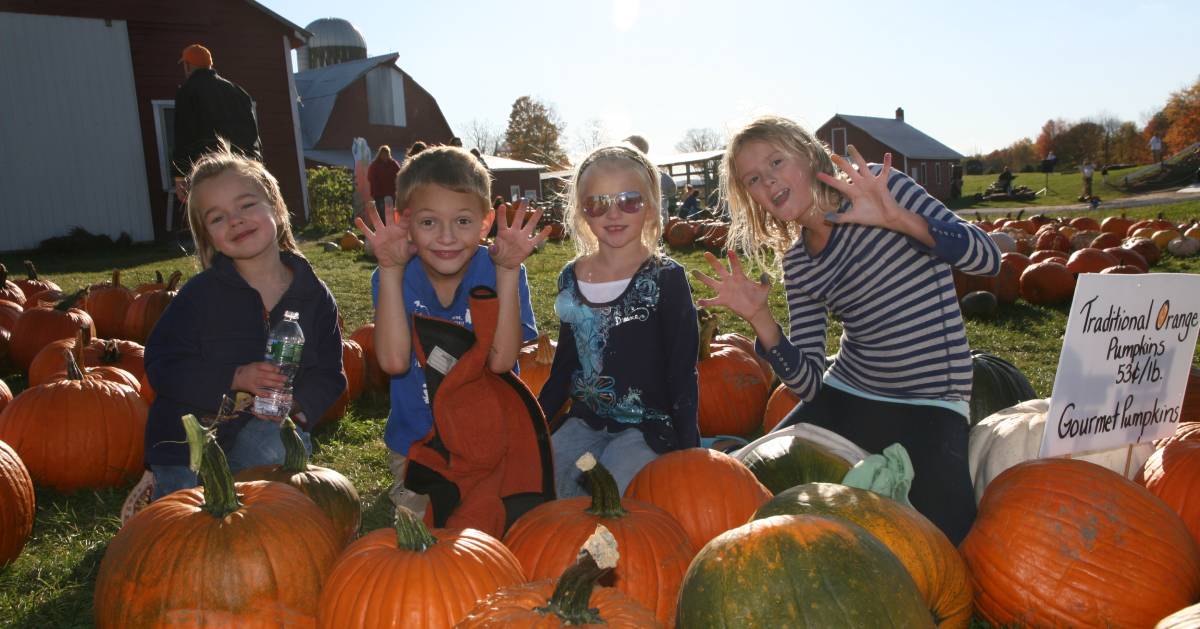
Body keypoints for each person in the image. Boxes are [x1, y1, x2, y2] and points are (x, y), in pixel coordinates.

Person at [693, 116, 1000, 544]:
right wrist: (761, 320)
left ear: (808, 152)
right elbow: (810, 383)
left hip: (931, 398)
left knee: (948, 538)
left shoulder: (879, 187)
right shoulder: (798, 262)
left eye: (777, 162)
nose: (769, 181)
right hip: (850, 394)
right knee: (751, 483)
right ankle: (726, 448)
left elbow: (988, 258)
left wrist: (898, 218)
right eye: (754, 179)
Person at [141, 142, 347, 501]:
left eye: (246, 205)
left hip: (259, 433)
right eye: (217, 218)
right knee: (180, 520)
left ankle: (241, 498)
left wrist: (298, 408)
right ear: (210, 239)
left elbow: (330, 372)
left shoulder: (314, 296)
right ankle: (161, 485)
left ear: (277, 209)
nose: (235, 220)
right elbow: (162, 365)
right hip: (187, 441)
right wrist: (233, 378)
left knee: (278, 451)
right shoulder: (199, 296)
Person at [356, 146, 546, 515]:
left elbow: (502, 362)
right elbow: (394, 363)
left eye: (462, 221)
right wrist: (392, 270)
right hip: (417, 443)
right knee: (429, 532)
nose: (446, 237)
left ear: (485, 222)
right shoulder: (393, 274)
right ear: (404, 220)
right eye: (428, 222)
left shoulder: (501, 271)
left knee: (493, 521)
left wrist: (507, 273)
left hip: (490, 438)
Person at [538, 143, 700, 498]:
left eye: (629, 200)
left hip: (646, 426)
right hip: (585, 420)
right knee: (546, 481)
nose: (613, 214)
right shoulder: (571, 277)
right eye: (597, 204)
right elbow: (565, 366)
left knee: (609, 494)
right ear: (582, 213)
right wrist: (533, 427)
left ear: (651, 207)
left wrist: (693, 451)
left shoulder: (665, 278)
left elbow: (682, 369)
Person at [172, 44, 262, 202]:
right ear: (210, 65)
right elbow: (253, 136)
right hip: (244, 170)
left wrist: (180, 176)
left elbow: (184, 136)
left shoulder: (188, 92)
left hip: (210, 173)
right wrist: (257, 167)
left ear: (187, 65)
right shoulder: (238, 91)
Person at [622, 135, 676, 222]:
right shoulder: (657, 172)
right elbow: (672, 188)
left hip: (640, 224)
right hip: (658, 222)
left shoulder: (627, 173)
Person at [367, 145, 402, 221]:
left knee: (391, 212)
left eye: (386, 154)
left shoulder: (393, 164)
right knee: (382, 213)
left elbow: (399, 175)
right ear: (380, 154)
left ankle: (391, 228)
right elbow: (370, 177)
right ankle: (384, 229)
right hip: (379, 194)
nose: (385, 156)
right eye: (383, 154)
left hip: (391, 193)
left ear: (389, 154)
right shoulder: (375, 165)